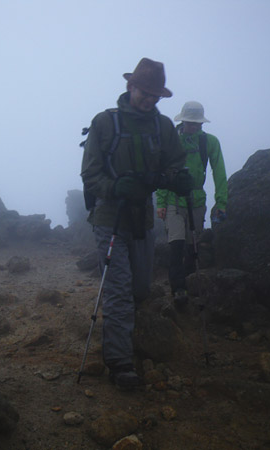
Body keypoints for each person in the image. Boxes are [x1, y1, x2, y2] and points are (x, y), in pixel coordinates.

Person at [81, 58, 191, 389]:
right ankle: (120, 363)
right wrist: (113, 187)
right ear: (131, 87)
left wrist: (175, 180)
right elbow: (89, 173)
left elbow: (175, 163)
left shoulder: (163, 127)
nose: (150, 100)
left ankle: (133, 338)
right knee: (117, 290)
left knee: (140, 287)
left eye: (156, 96)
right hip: (110, 218)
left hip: (142, 217)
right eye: (145, 93)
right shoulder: (104, 123)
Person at [156, 101, 227, 305]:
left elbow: (219, 172)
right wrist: (161, 202)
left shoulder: (209, 142)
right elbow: (163, 172)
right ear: (183, 120)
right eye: (190, 123)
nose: (194, 127)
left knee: (191, 247)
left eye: (197, 124)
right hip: (173, 200)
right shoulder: (171, 142)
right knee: (176, 245)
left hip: (197, 201)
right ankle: (178, 290)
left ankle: (188, 284)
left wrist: (221, 202)